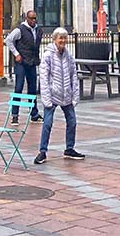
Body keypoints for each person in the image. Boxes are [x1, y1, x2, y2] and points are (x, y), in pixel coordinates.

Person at [34, 28, 84, 164]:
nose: (62, 41)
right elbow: (43, 77)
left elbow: (74, 75)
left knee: (72, 121)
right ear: (54, 39)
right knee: (47, 123)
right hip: (53, 94)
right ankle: (42, 151)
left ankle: (69, 148)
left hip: (66, 94)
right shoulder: (48, 55)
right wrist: (46, 98)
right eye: (60, 38)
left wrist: (75, 96)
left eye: (64, 38)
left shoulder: (68, 55)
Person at [5, 11, 42, 125]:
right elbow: (8, 40)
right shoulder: (20, 29)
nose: (34, 21)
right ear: (27, 18)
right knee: (18, 87)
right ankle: (15, 115)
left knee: (32, 89)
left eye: (35, 18)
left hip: (32, 62)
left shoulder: (38, 30)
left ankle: (34, 114)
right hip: (21, 62)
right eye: (31, 18)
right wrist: (16, 54)